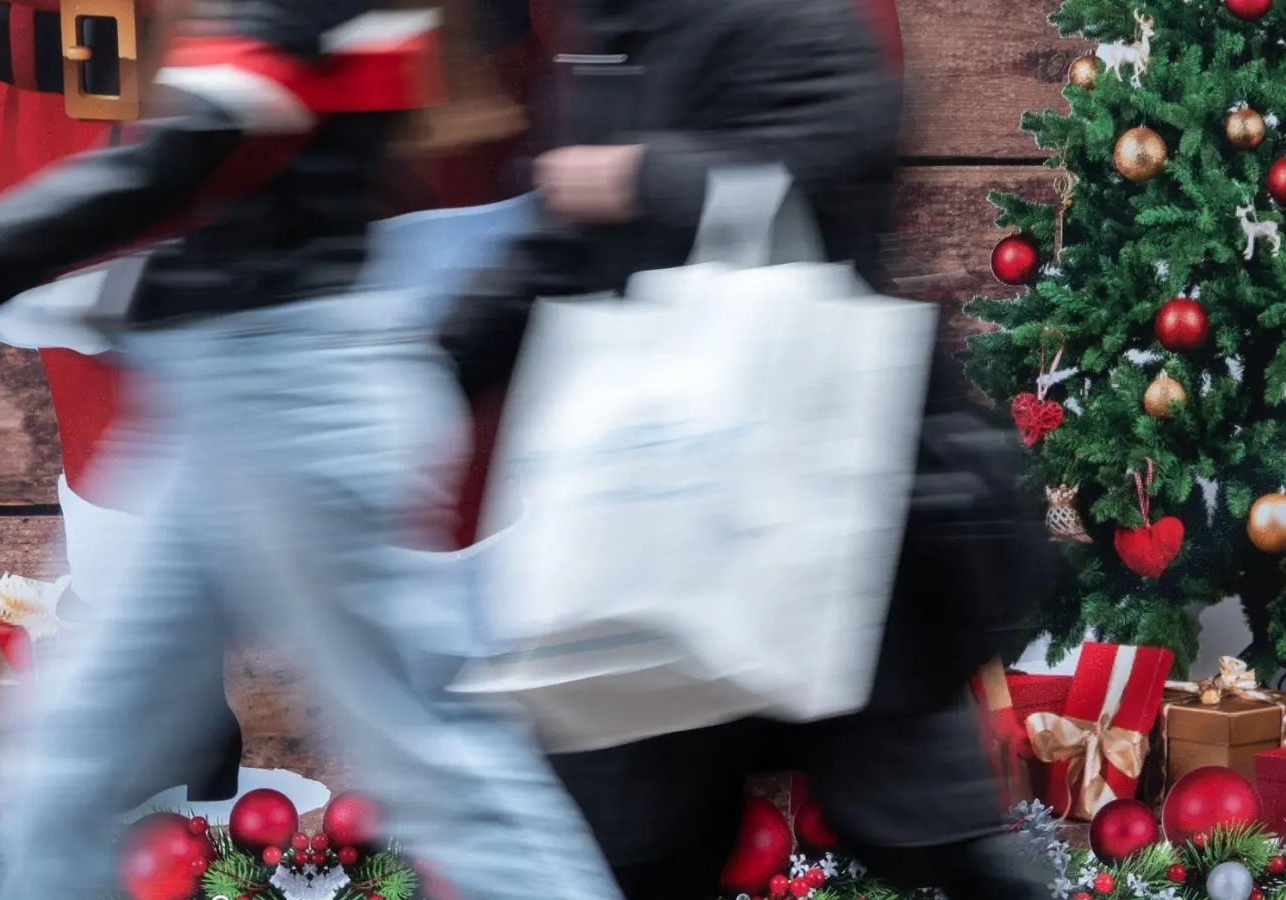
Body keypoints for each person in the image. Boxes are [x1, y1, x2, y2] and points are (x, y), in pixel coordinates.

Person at [0, 4, 623, 900]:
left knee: (440, 766)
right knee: (76, 756)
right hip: (229, 395)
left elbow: (161, 170)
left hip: (293, 399)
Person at [437, 1, 1056, 899]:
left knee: (939, 838)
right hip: (655, 533)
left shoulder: (786, 14)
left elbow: (840, 157)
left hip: (824, 512)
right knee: (631, 856)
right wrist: (435, 366)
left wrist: (645, 176)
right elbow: (563, 243)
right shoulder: (614, 30)